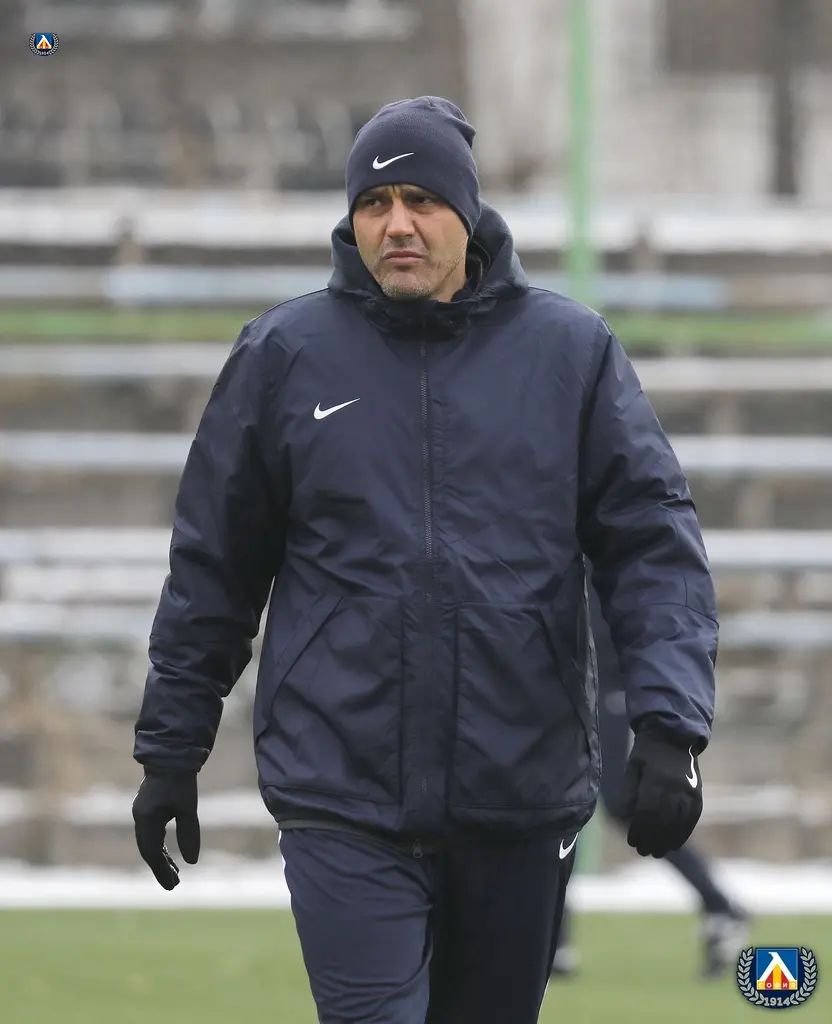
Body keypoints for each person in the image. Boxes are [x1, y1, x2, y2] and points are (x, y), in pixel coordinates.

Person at [132, 96, 718, 1024]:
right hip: (341, 793)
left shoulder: (571, 353)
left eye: (422, 200)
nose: (397, 223)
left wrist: (670, 723)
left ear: (467, 214)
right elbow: (214, 570)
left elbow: (652, 543)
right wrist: (172, 750)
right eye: (375, 203)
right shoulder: (283, 356)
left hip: (519, 791)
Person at [550, 586, 748, 981]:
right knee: (554, 805)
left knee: (625, 804)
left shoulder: (600, 560)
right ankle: (556, 937)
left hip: (610, 689)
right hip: (567, 691)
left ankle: (720, 906)